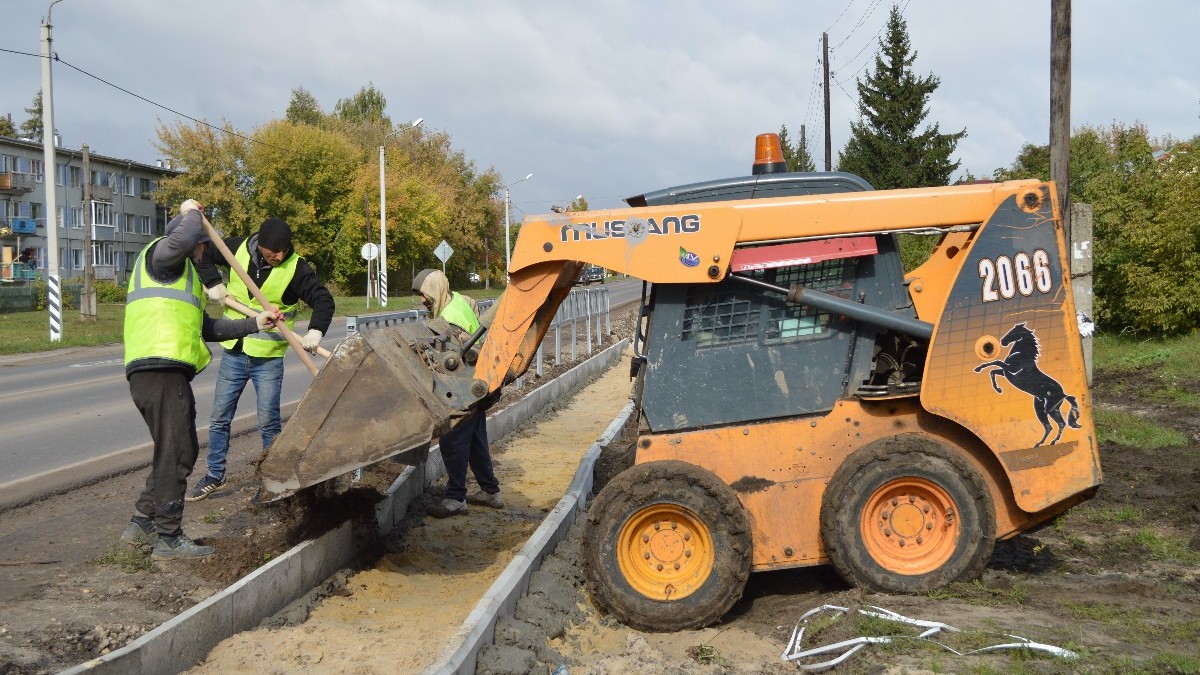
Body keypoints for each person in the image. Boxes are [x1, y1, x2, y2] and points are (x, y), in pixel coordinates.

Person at [120, 200, 281, 559]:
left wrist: (255, 323)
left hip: (166, 371)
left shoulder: (183, 275)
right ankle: (168, 537)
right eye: (203, 242)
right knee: (177, 451)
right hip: (158, 368)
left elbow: (207, 327)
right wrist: (192, 211)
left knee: (180, 450)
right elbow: (189, 231)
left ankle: (142, 521)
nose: (204, 250)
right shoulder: (161, 257)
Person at [186, 218, 334, 501]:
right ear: (260, 246)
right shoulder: (236, 249)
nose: (278, 256)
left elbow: (324, 300)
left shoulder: (296, 268)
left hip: (267, 358)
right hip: (235, 350)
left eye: (282, 251)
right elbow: (200, 250)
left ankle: (272, 480)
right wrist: (213, 282)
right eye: (271, 252)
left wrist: (315, 331)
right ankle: (215, 475)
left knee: (268, 422)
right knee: (219, 418)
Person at [412, 269, 503, 517]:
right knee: (475, 441)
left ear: (435, 290)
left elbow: (449, 356)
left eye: (423, 294)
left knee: (452, 440)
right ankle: (491, 492)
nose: (422, 300)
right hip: (478, 379)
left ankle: (455, 499)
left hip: (464, 386)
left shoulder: (449, 318)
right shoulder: (459, 302)